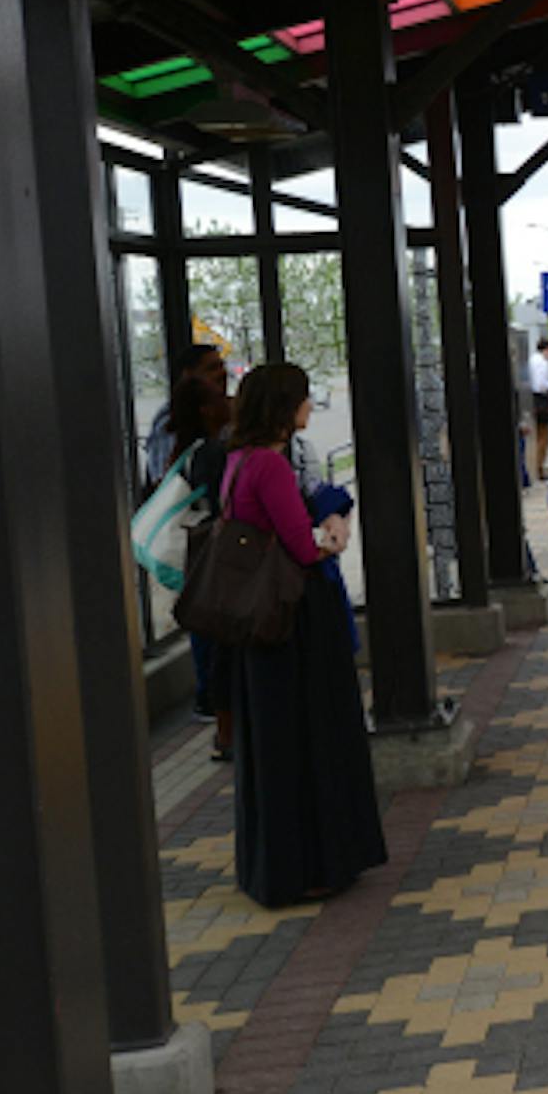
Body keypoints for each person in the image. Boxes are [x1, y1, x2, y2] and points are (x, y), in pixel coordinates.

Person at [219, 363, 386, 907]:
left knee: (272, 749)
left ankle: (275, 866)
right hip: (294, 626)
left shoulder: (237, 463)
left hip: (259, 629)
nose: (310, 407)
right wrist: (334, 536)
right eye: (304, 399)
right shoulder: (269, 465)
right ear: (284, 407)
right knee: (311, 740)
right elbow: (302, 544)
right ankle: (312, 865)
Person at [167, 372, 235, 743]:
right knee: (215, 633)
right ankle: (213, 702)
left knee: (203, 627)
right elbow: (224, 504)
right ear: (208, 410)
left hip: (198, 553)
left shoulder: (185, 451)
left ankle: (208, 699)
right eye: (220, 396)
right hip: (213, 554)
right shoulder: (212, 452)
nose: (228, 400)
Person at [145, 343, 228, 487]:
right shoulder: (170, 420)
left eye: (222, 366)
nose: (222, 373)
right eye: (212, 368)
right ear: (188, 375)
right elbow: (165, 483)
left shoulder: (225, 413)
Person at [527, 338, 548, 485]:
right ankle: (539, 468)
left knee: (538, 435)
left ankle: (536, 467)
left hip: (532, 400)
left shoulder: (532, 360)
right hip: (542, 401)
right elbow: (541, 385)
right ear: (546, 349)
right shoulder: (543, 363)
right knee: (544, 437)